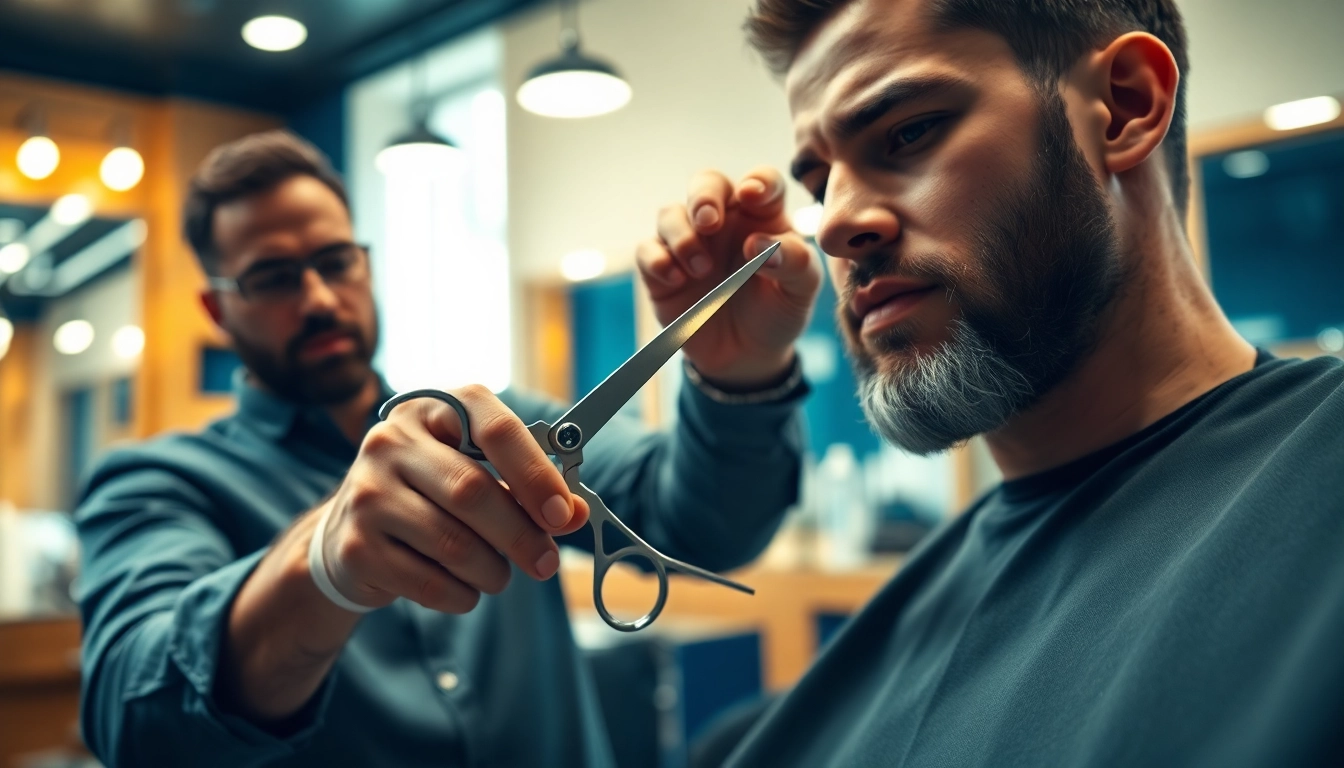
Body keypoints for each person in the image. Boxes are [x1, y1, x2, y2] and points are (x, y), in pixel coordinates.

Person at [652, 0, 1344, 765]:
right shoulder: (865, 665)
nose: (834, 225)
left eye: (908, 132)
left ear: (1123, 108)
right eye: (820, 185)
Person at [74, 130, 822, 766]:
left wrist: (737, 373)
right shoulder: (157, 483)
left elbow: (706, 524)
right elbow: (135, 726)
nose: (320, 299)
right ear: (216, 308)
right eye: (273, 278)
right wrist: (322, 568)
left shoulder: (500, 428)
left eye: (336, 261)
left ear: (364, 265)